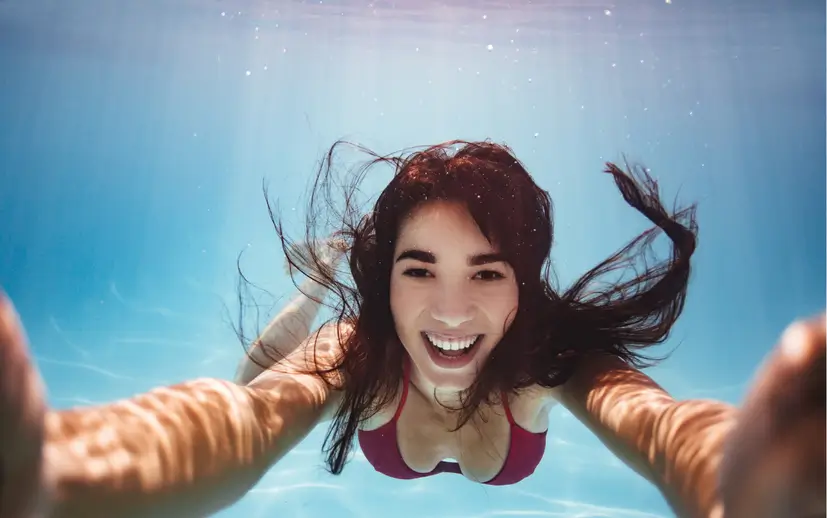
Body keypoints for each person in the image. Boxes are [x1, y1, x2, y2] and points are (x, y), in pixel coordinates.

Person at [0, 140, 823, 518]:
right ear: (386, 287)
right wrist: (64, 468)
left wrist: (729, 477)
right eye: (419, 269)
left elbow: (660, 424)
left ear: (522, 292)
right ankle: (321, 281)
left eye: (488, 273)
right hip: (347, 347)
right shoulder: (363, 348)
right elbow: (238, 420)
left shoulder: (546, 359)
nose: (453, 313)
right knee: (262, 374)